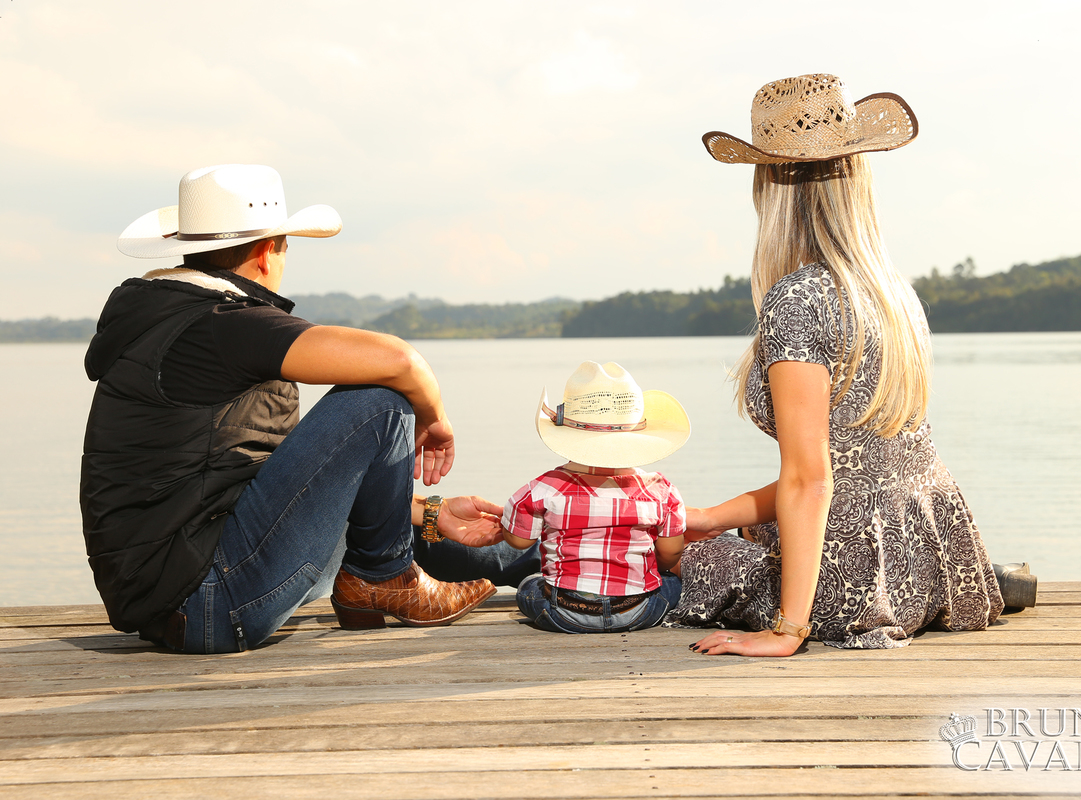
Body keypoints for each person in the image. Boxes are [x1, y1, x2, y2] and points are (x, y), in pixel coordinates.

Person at [81, 164, 538, 654]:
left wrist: (430, 512)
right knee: (379, 403)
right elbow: (400, 361)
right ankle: (386, 577)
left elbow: (288, 490)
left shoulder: (175, 320)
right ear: (265, 253)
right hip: (210, 599)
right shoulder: (218, 325)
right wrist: (436, 422)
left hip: (197, 595)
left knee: (389, 510)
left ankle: (538, 560)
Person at [671, 74, 1017, 657]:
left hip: (851, 587)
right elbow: (857, 469)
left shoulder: (798, 302)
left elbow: (811, 481)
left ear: (771, 187)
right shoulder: (891, 297)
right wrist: (712, 514)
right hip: (928, 565)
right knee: (726, 529)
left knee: (672, 553)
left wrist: (787, 631)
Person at [501, 361, 690, 633]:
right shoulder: (661, 490)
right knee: (671, 582)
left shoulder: (543, 488)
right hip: (637, 610)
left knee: (529, 586)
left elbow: (519, 541)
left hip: (565, 611)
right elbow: (671, 552)